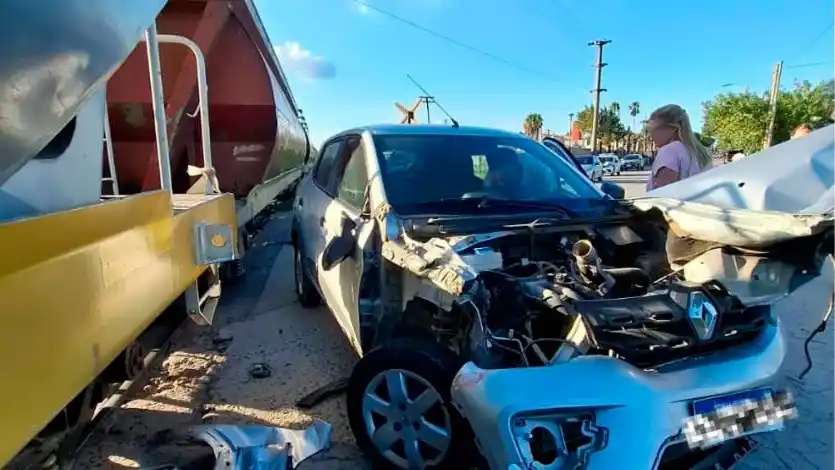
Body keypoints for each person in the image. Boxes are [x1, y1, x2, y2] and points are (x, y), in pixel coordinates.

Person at [645, 104, 713, 191]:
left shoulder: (669, 151)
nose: (650, 135)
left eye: (653, 130)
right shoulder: (702, 151)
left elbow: (663, 196)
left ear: (673, 128)